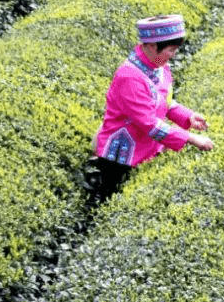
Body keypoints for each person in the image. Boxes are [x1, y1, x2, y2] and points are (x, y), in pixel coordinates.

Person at [84, 14, 214, 202]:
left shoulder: (159, 66)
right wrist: (192, 138)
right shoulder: (130, 77)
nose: (174, 55)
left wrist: (188, 117)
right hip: (122, 158)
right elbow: (150, 124)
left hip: (146, 148)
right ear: (153, 46)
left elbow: (163, 101)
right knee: (110, 200)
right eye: (171, 50)